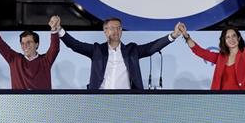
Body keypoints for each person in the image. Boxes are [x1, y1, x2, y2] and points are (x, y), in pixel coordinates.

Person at [55, 17, 184, 90]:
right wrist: (59, 30)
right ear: (105, 31)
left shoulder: (132, 50)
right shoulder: (97, 50)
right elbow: (74, 45)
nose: (116, 31)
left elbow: (152, 47)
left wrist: (173, 35)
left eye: (119, 28)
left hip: (126, 100)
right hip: (99, 99)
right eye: (112, 28)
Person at [179, 22, 245, 90]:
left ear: (238, 38)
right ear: (224, 41)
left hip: (244, 98)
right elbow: (200, 51)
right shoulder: (220, 57)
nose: (231, 39)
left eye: (234, 36)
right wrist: (186, 36)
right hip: (222, 99)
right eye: (228, 37)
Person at [0, 7, 60, 90]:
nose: (25, 46)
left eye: (29, 42)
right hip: (19, 102)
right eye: (22, 43)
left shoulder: (45, 60)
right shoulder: (14, 59)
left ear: (36, 44)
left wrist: (54, 29)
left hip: (42, 102)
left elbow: (55, 48)